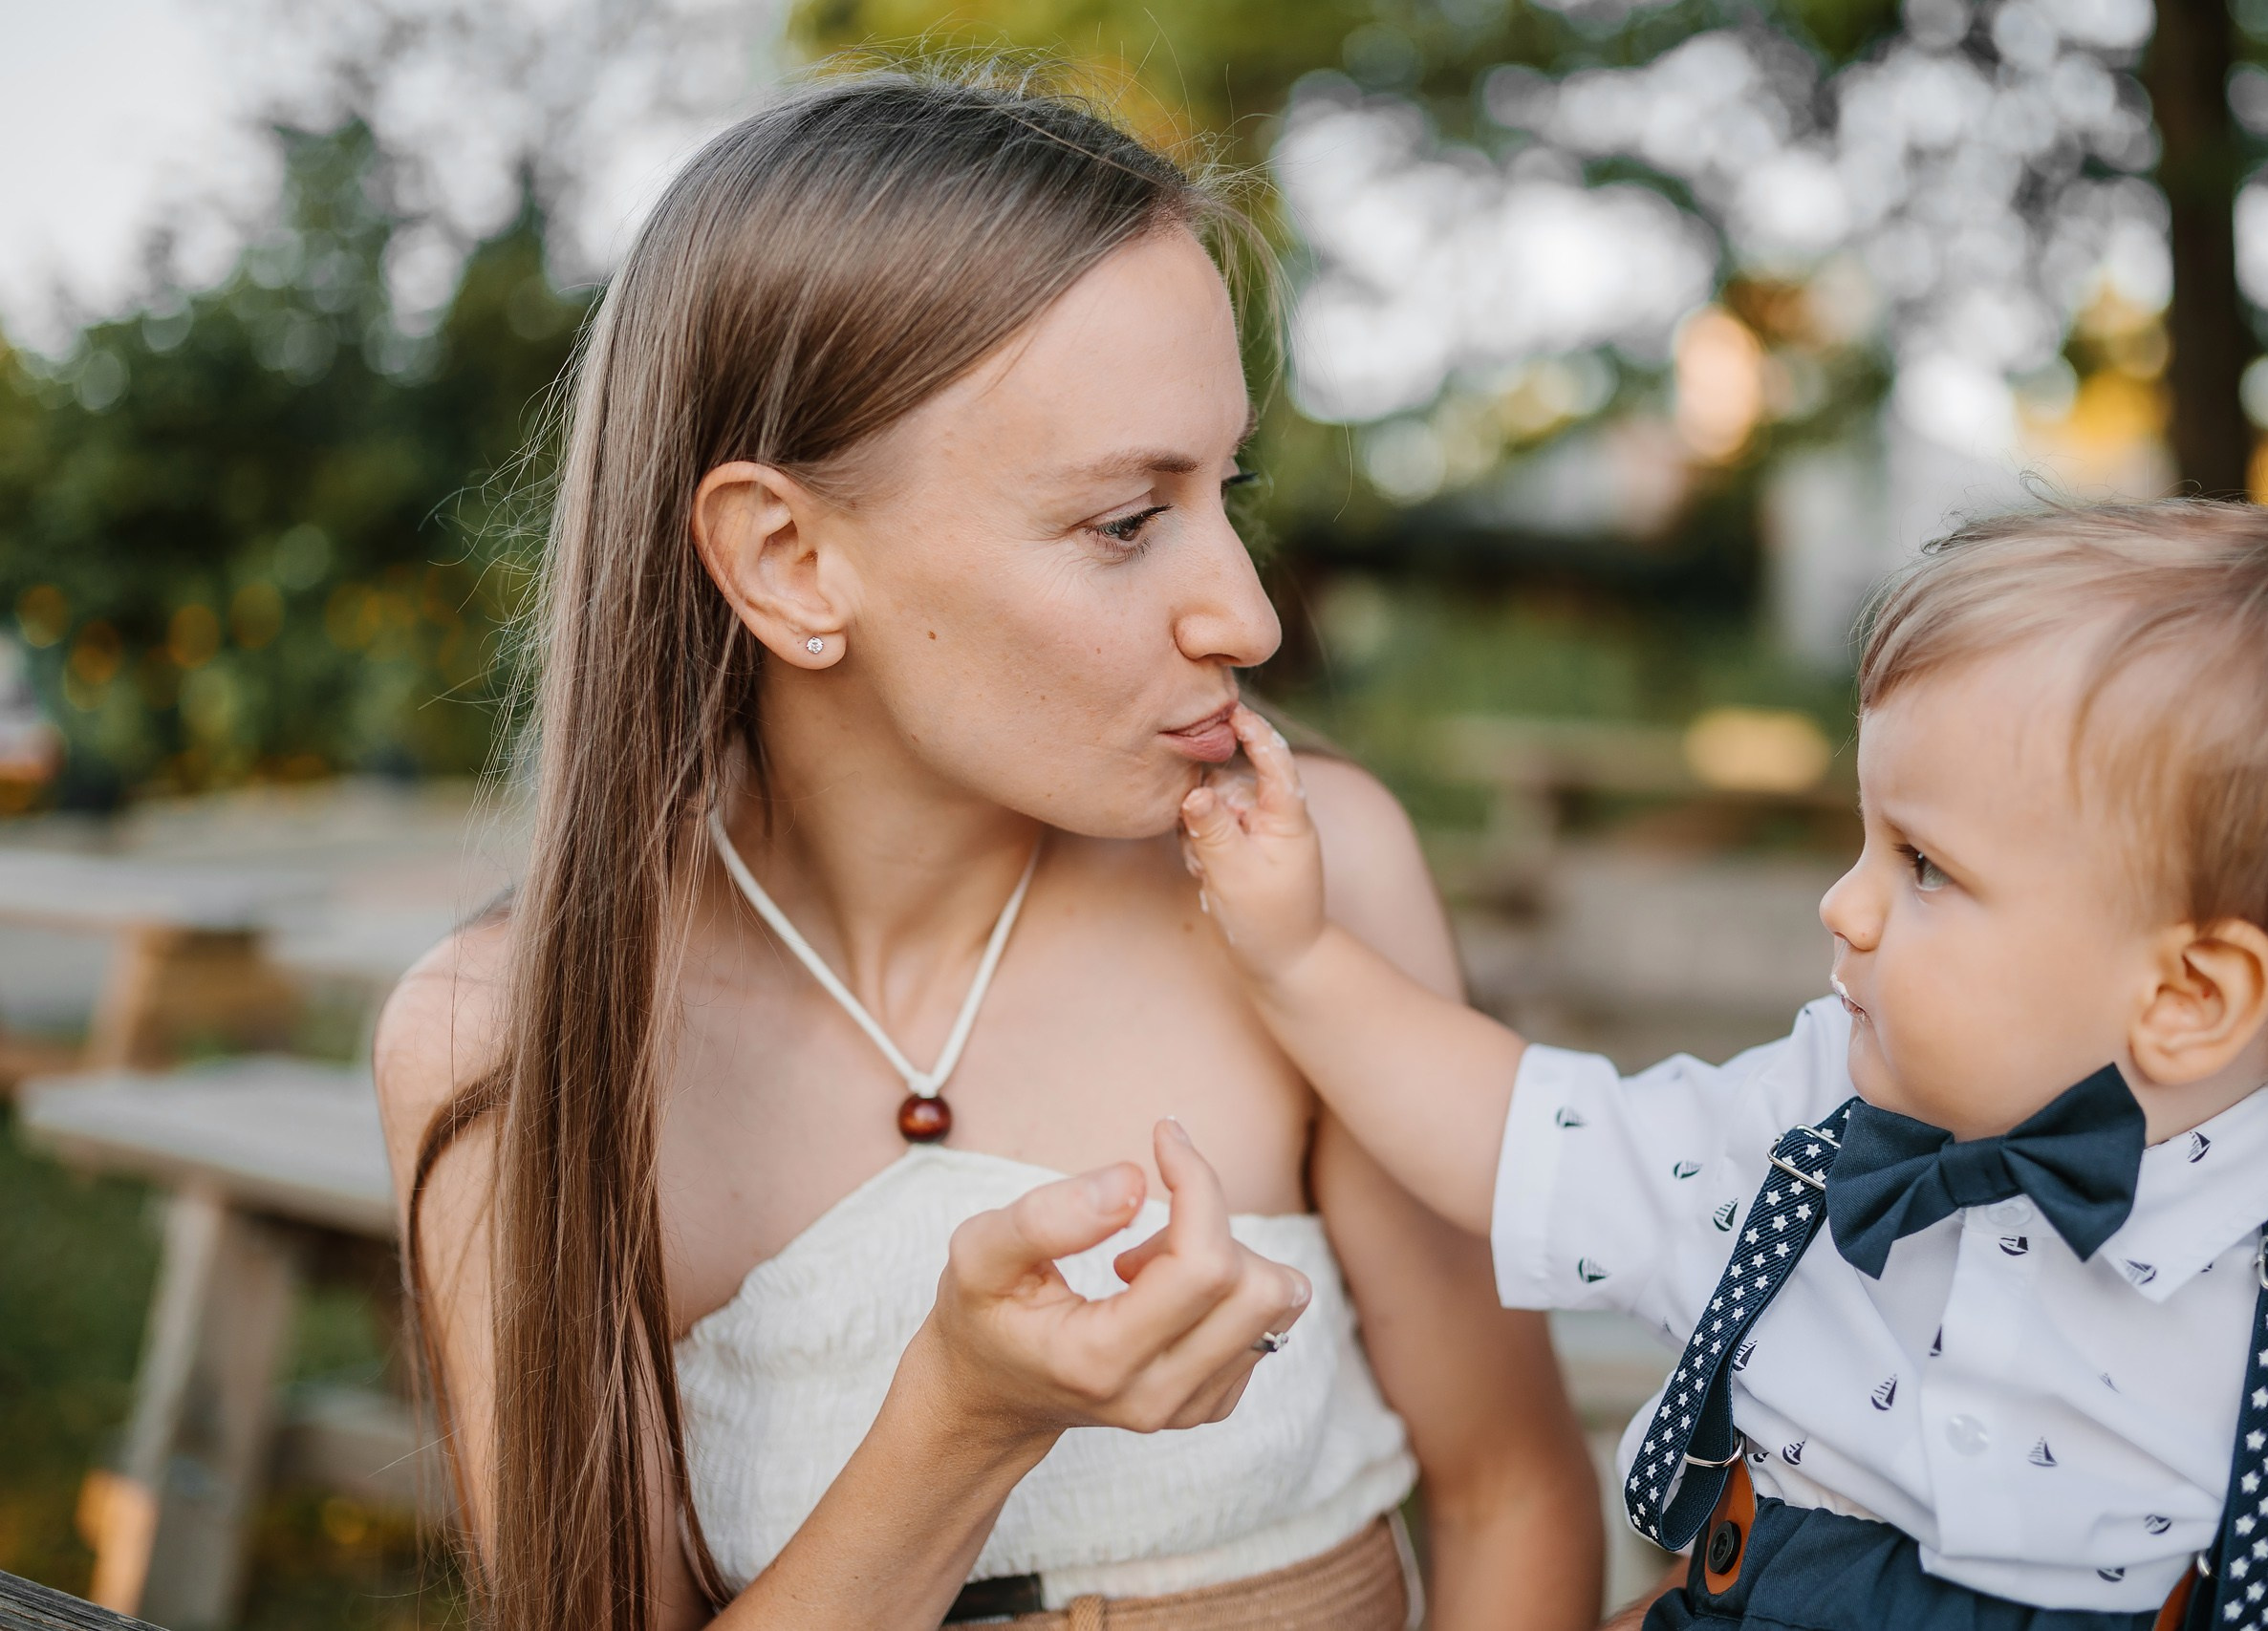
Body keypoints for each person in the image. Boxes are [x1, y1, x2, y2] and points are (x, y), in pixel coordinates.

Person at [374, 70, 1602, 1631]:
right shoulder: (510, 1041)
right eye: (1122, 523)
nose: (1249, 616)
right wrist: (960, 1424)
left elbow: (1512, 1495)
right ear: (792, 558)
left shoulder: (1304, 883)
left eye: (1227, 491)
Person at [1180, 501, 2268, 1630]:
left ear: (2184, 994)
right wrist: (1299, 960)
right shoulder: (1810, 1117)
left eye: (1924, 864)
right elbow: (1519, 1141)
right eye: (1867, 841)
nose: (1845, 905)